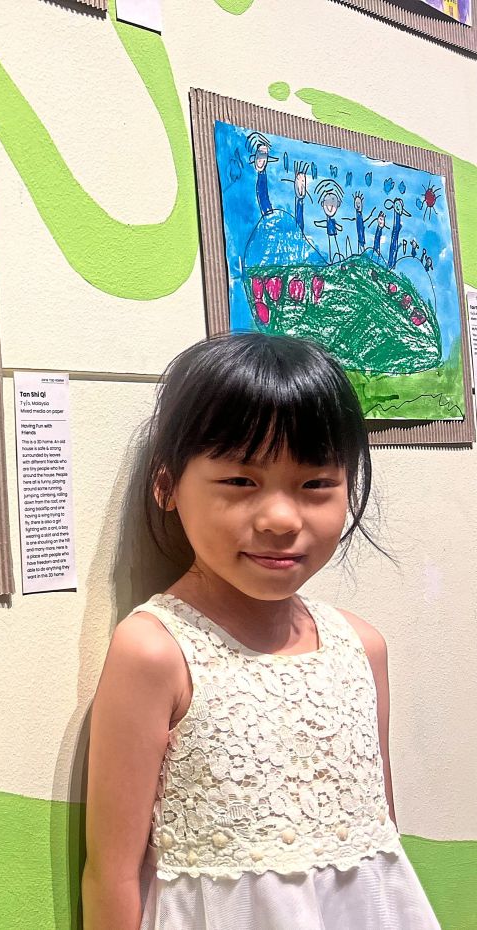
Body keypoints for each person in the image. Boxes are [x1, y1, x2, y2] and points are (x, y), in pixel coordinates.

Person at [81, 334, 440, 929]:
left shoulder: (362, 647)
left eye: (316, 484)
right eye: (241, 483)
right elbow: (112, 874)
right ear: (167, 486)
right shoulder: (156, 651)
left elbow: (379, 833)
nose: (280, 519)